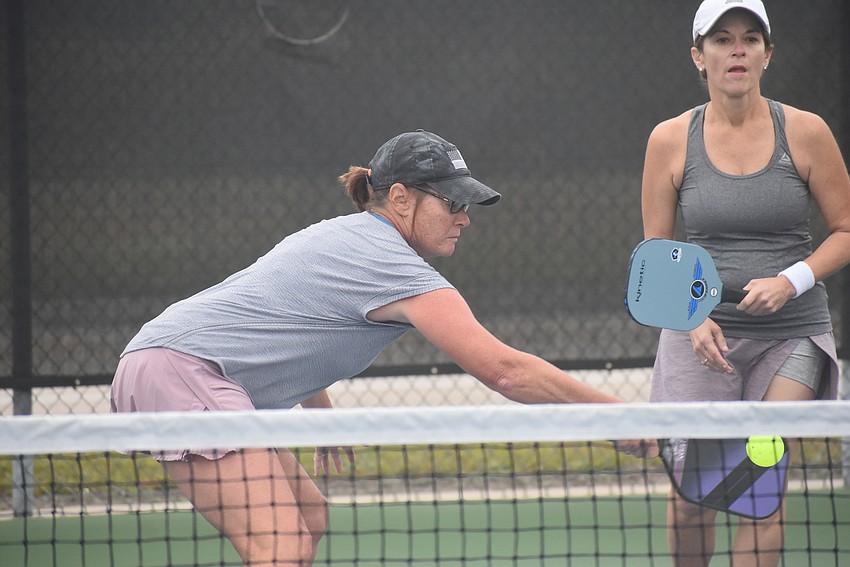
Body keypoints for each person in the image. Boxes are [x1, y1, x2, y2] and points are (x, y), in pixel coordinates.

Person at [111, 129, 657, 567]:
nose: (465, 217)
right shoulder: (388, 261)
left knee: (309, 520)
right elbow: (506, 371)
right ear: (400, 198)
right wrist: (617, 416)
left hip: (191, 368)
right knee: (280, 549)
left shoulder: (350, 236)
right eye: (452, 203)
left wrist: (317, 412)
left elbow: (288, 320)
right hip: (181, 371)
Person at [641, 1, 850, 565]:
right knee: (690, 501)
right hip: (699, 339)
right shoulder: (668, 140)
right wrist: (691, 318)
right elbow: (657, 255)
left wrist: (792, 279)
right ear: (698, 57)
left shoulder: (807, 132)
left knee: (761, 489)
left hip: (794, 336)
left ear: (767, 54)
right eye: (722, 39)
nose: (738, 49)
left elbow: (847, 229)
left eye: (751, 39)